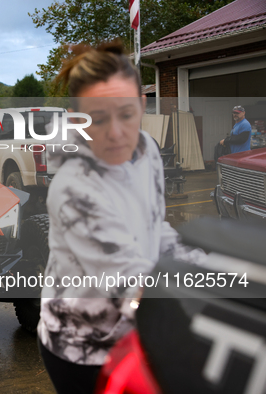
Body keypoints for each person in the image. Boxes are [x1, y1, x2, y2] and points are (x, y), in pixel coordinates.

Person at [37, 40, 206, 394]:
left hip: (137, 331)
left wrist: (213, 269)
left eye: (126, 114)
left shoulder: (147, 150)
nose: (116, 133)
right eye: (98, 119)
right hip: (83, 348)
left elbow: (155, 227)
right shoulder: (73, 188)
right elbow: (129, 282)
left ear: (143, 105)